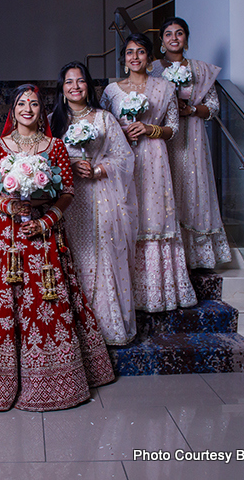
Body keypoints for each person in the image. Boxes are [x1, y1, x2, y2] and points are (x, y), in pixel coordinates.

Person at [0, 84, 115, 412]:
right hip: (7, 238)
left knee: (46, 299)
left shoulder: (55, 146)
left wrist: (45, 220)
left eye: (34, 104)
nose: (28, 108)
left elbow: (67, 191)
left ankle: (51, 382)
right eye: (22, 103)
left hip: (45, 237)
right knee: (1, 301)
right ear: (13, 109)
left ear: (42, 109)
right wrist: (9, 208)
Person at [100, 33, 197, 312]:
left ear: (149, 57)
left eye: (140, 52)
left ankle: (159, 292)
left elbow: (173, 128)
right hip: (124, 159)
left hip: (154, 157)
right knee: (127, 215)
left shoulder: (164, 87)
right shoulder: (111, 91)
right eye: (129, 52)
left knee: (154, 216)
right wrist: (122, 132)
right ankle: (124, 290)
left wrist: (149, 129)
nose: (134, 57)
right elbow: (104, 127)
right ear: (123, 59)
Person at [49, 62, 138, 345]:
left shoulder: (104, 119)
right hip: (66, 201)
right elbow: (43, 160)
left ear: (88, 85)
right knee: (69, 256)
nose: (75, 86)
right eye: (69, 82)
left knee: (101, 254)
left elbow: (124, 158)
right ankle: (71, 328)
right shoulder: (53, 121)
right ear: (62, 89)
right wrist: (70, 166)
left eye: (80, 81)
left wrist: (98, 170)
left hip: (101, 198)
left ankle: (104, 325)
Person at [149, 17, 231, 269]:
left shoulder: (201, 71)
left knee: (195, 185)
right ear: (162, 41)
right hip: (163, 136)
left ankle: (198, 255)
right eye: (168, 34)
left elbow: (214, 107)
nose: (174, 38)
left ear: (186, 39)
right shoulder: (152, 69)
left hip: (193, 134)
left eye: (179, 33)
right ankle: (168, 254)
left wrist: (191, 109)